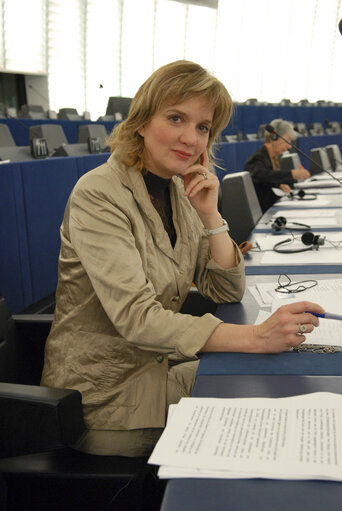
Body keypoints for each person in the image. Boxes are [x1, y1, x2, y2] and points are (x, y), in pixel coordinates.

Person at [41, 61, 324, 457]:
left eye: (203, 127)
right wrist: (256, 337)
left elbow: (227, 287)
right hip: (111, 398)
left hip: (163, 367)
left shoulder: (180, 189)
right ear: (141, 121)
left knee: (273, 379)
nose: (190, 138)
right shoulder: (99, 194)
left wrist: (210, 215)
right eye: (176, 118)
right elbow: (139, 319)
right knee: (260, 420)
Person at [244, 118, 311, 212]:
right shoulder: (258, 158)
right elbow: (263, 175)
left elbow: (268, 180)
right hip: (262, 211)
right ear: (273, 137)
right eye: (287, 141)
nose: (289, 146)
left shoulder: (274, 158)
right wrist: (292, 174)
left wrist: (279, 185)